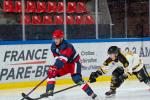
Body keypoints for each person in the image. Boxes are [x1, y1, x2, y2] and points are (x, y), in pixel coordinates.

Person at [42, 29, 97, 100]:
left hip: (74, 63)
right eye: (54, 38)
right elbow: (57, 58)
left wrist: (55, 67)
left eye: (57, 38)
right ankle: (49, 93)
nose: (55, 40)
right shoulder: (53, 46)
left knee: (77, 79)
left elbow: (62, 59)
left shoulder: (67, 46)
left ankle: (92, 94)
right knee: (51, 73)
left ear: (61, 38)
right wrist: (54, 68)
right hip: (65, 64)